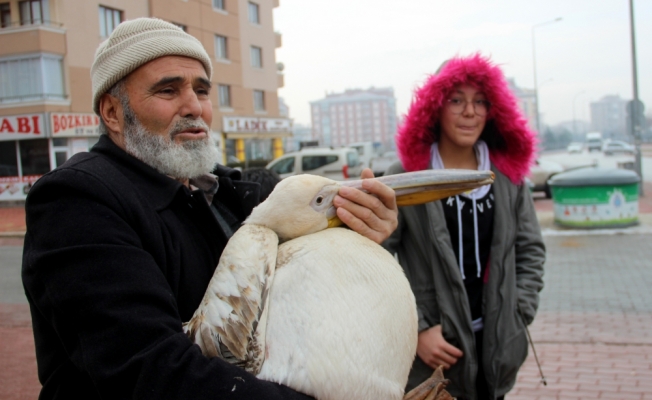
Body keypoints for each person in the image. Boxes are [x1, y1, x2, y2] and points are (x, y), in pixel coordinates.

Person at [21, 18, 398, 399]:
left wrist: (353, 230)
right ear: (113, 113)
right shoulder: (76, 200)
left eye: (202, 90)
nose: (194, 107)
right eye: (168, 90)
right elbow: (150, 371)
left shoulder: (239, 193)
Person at [382, 54, 545, 400]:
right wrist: (417, 329)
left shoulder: (508, 176)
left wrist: (518, 314)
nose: (470, 112)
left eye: (480, 101)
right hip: (433, 356)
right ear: (434, 107)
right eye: (456, 100)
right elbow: (375, 259)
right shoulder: (408, 174)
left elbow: (530, 251)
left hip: (497, 348)